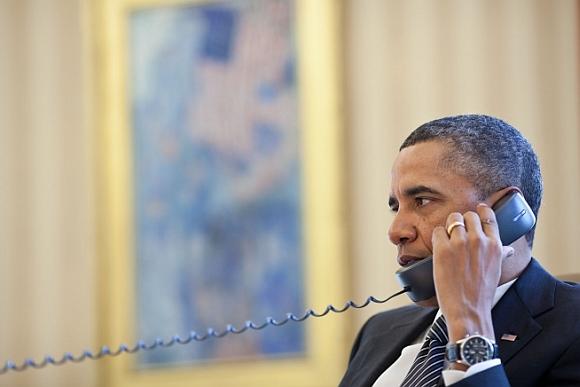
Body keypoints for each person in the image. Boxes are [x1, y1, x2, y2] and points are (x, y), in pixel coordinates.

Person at [339, 115, 580, 387]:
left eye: (423, 201)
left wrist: (468, 325)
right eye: (396, 207)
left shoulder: (571, 327)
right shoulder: (379, 331)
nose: (396, 232)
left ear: (506, 213)